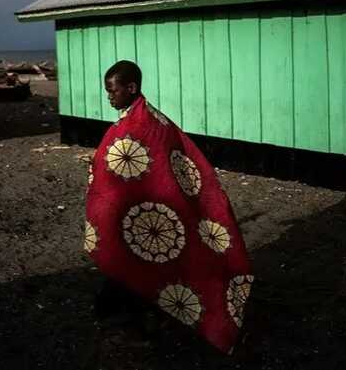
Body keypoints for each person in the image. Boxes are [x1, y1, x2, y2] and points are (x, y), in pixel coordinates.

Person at [84, 60, 253, 353]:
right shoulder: (149, 118)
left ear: (131, 88)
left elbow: (160, 165)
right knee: (131, 264)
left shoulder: (140, 124)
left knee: (134, 265)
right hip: (142, 213)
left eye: (112, 92)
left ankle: (131, 319)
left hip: (149, 216)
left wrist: (101, 164)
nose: (109, 97)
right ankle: (119, 308)